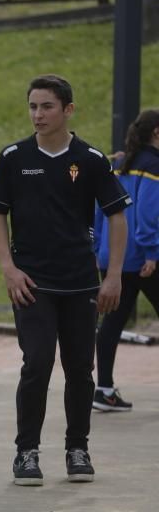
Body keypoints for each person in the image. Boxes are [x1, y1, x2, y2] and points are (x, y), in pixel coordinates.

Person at [0, 74, 129, 486]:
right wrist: (8, 268)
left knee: (81, 369)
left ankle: (77, 448)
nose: (38, 114)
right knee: (38, 362)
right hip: (31, 281)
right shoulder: (13, 157)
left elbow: (117, 216)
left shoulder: (92, 159)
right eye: (32, 106)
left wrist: (113, 275)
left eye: (46, 106)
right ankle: (26, 453)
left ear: (68, 110)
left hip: (82, 281)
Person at [93, 109, 159, 412]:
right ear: (156, 134)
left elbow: (98, 206)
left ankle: (103, 389)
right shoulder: (153, 166)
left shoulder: (116, 164)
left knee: (112, 322)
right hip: (142, 258)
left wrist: (96, 248)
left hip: (112, 255)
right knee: (113, 321)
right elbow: (146, 213)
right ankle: (103, 391)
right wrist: (151, 252)